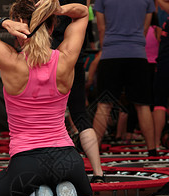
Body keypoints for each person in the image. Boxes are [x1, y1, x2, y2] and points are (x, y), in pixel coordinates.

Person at [0, 0, 93, 196]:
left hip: (27, 164)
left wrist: (3, 22)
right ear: (53, 25)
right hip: (67, 159)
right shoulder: (66, 58)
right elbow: (84, 13)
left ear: (18, 27)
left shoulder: (11, 61)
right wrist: (61, 9)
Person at [93, 0, 157, 157]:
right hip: (137, 54)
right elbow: (145, 28)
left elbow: (101, 28)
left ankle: (92, 152)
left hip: (111, 54)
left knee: (104, 104)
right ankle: (152, 150)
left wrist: (107, 48)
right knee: (143, 105)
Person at [52, 0, 104, 183]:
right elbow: (84, 8)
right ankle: (98, 173)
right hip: (72, 58)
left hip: (49, 59)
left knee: (49, 117)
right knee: (80, 114)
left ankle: (52, 173)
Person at [153, 0, 169, 148]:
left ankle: (156, 143)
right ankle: (157, 142)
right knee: (159, 103)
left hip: (164, 63)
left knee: (159, 103)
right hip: (163, 62)